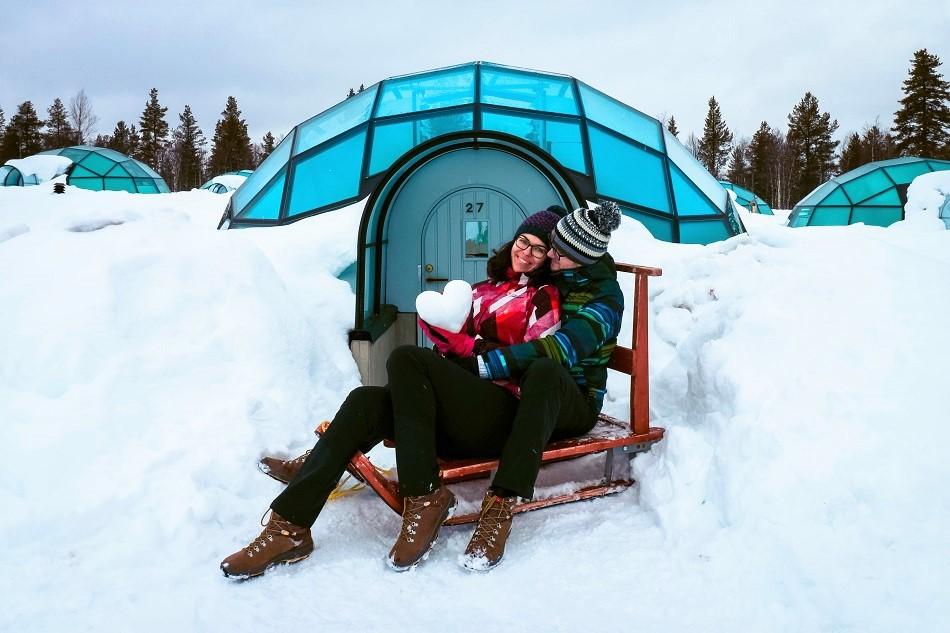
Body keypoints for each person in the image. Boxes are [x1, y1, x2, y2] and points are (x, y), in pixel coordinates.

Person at [220, 206, 566, 579]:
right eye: (522, 242)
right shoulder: (485, 289)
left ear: (550, 256)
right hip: (459, 402)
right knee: (364, 402)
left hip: (499, 413)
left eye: (538, 248)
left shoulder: (545, 297)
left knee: (406, 359)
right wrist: (443, 336)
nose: (526, 253)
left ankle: (425, 495)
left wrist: (468, 347)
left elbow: (531, 361)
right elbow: (453, 343)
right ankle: (288, 529)